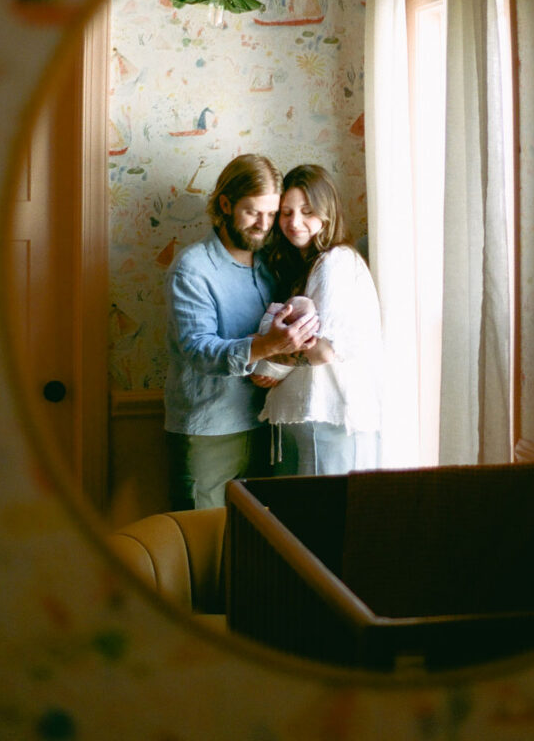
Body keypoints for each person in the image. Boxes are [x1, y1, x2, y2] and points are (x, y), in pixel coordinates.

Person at [163, 153, 320, 509]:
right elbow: (199, 351)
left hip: (267, 428)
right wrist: (267, 346)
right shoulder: (192, 268)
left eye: (271, 213)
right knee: (201, 547)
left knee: (254, 549)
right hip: (206, 433)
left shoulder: (271, 264)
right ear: (225, 204)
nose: (264, 225)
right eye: (252, 212)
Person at [254, 164, 383, 476]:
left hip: (328, 418)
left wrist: (277, 360)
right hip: (311, 419)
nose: (294, 222)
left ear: (327, 213)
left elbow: (323, 351)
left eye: (307, 211)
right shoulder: (304, 265)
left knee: (323, 517)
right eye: (285, 212)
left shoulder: (334, 262)